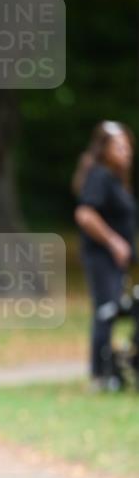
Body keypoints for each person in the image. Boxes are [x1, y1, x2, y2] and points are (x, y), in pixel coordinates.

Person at [73, 121, 138, 388]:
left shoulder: (116, 179)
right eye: (119, 146)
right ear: (104, 149)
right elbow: (84, 214)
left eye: (128, 146)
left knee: (111, 310)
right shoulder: (100, 176)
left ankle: (111, 368)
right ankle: (100, 374)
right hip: (101, 258)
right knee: (106, 310)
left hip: (114, 261)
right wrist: (114, 242)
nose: (126, 152)